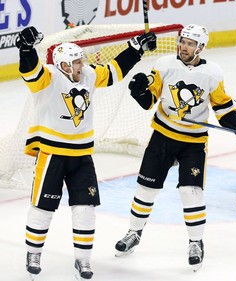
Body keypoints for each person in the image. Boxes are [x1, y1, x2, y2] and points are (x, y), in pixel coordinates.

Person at [114, 24, 236, 271]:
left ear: (201, 47)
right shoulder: (165, 65)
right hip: (163, 136)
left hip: (193, 142)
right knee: (146, 189)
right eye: (182, 41)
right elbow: (149, 100)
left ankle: (196, 242)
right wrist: (139, 91)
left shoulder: (212, 73)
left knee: (190, 191)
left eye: (190, 43)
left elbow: (224, 109)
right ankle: (134, 233)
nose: (184, 47)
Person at [16, 26, 157, 280]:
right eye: (76, 61)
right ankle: (33, 252)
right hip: (52, 154)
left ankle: (83, 259)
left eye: (81, 59)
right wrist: (26, 50)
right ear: (64, 66)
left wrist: (135, 50)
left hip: (82, 156)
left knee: (85, 208)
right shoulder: (49, 77)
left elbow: (113, 72)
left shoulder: (89, 75)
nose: (82, 64)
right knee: (43, 207)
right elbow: (30, 72)